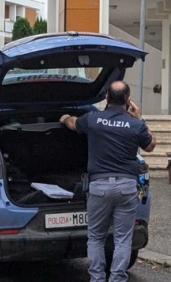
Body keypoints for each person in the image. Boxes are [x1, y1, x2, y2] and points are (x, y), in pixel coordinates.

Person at [60, 80, 156, 282]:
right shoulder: (136, 125)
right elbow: (151, 146)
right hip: (127, 188)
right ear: (128, 101)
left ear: (106, 98)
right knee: (122, 240)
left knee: (95, 238)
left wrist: (64, 116)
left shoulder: (93, 120)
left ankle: (97, 279)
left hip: (99, 187)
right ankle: (117, 279)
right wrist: (140, 118)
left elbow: (73, 124)